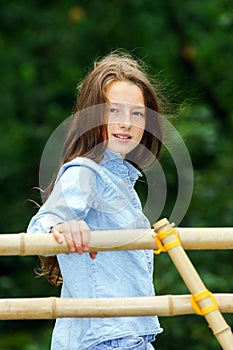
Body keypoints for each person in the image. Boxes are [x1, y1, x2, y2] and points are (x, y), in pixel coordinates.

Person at [27, 51, 164, 349]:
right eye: (113, 111)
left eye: (137, 113)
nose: (126, 122)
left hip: (127, 334)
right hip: (107, 337)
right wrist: (60, 229)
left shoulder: (122, 183)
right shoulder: (85, 172)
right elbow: (43, 224)